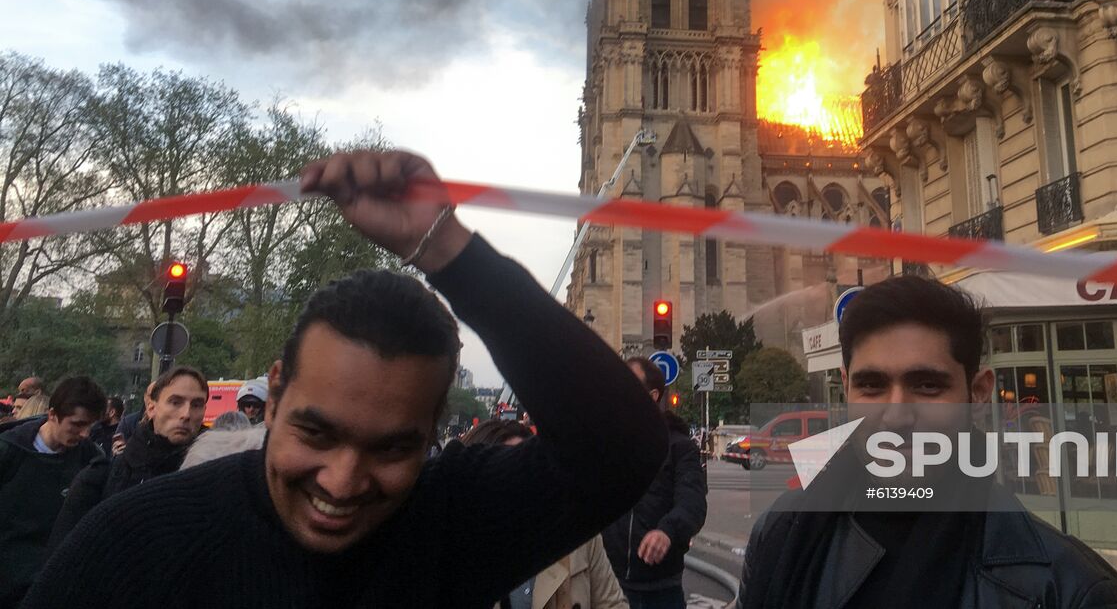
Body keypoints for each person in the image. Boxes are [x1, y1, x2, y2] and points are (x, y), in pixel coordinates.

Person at [24, 149, 668, 609]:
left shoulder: (445, 526)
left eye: (392, 447)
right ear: (274, 393)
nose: (342, 480)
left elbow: (621, 445)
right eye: (318, 431)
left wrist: (445, 247)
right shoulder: (135, 542)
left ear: (432, 435)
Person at [737, 275, 1117, 609]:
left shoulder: (1070, 589)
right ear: (846, 388)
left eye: (927, 385)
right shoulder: (780, 531)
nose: (896, 415)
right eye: (872, 385)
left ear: (977, 394)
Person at [464, 419, 628, 609]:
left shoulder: (581, 539)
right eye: (503, 478)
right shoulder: (449, 557)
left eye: (525, 472)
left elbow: (613, 604)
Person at [48, 366, 209, 549]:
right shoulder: (100, 477)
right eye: (175, 402)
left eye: (196, 404)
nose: (186, 414)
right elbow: (63, 557)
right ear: (151, 408)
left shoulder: (214, 476)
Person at [602, 357, 707, 609]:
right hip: (608, 585)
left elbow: (692, 501)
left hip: (659, 591)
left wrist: (667, 531)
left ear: (652, 396)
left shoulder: (679, 447)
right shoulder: (607, 445)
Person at [0, 376, 104, 608]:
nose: (86, 434)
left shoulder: (92, 460)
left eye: (91, 426)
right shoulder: (8, 452)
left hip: (56, 583)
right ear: (52, 415)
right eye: (77, 424)